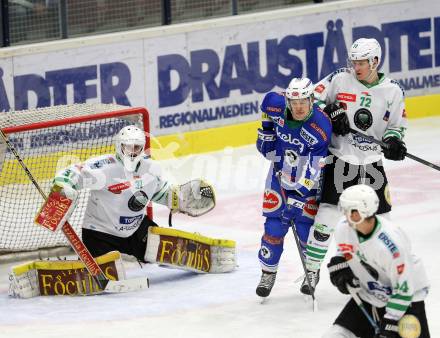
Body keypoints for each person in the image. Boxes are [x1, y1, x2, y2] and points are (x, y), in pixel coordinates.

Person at [303, 38, 408, 291]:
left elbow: (395, 127)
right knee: (327, 216)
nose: (356, 67)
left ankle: (386, 270)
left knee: (384, 221)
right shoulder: (340, 78)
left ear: (375, 61)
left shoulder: (393, 90)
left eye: (361, 62)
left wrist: (394, 142)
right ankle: (311, 272)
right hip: (341, 159)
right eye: (354, 62)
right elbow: (310, 100)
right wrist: (330, 112)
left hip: (372, 164)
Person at [50, 125, 219, 265]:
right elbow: (72, 173)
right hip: (100, 234)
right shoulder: (104, 168)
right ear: (119, 146)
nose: (132, 152)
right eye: (127, 147)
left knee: (170, 254)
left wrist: (179, 199)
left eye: (136, 147)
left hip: (137, 230)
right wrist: (64, 187)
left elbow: (161, 192)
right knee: (109, 274)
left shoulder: (150, 169)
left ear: (142, 148)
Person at [255, 77, 332, 297]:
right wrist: (267, 131)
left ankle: (312, 271)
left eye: (303, 102)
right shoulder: (274, 103)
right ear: (288, 101)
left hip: (307, 180)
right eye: (294, 102)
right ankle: (268, 273)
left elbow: (315, 168)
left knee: (306, 228)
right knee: (274, 227)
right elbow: (266, 116)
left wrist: (299, 196)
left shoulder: (321, 125)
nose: (298, 107)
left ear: (311, 100)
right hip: (278, 176)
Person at [324, 184, 430, 338]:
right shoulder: (344, 228)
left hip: (407, 300)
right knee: (336, 335)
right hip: (371, 295)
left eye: (347, 210)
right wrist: (341, 266)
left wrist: (391, 320)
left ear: (358, 213)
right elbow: (344, 252)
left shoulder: (390, 245)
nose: (344, 214)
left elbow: (404, 287)